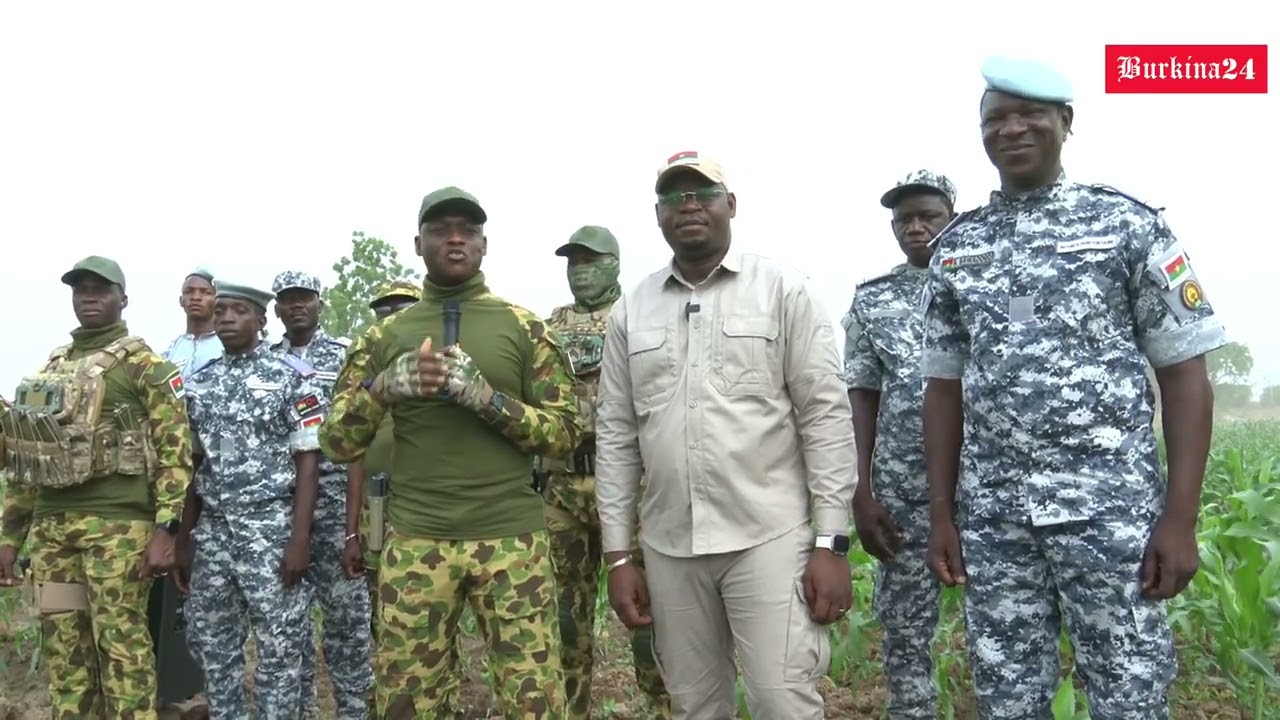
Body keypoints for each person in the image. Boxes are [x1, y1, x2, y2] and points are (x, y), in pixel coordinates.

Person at [921, 57, 1227, 720]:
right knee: (1007, 696)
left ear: (1066, 122)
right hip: (995, 523)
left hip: (1110, 517)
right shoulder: (956, 249)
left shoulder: (1128, 227)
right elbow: (941, 390)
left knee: (1129, 695)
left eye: (1030, 114)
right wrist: (943, 514)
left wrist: (1179, 519)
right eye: (995, 119)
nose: (1013, 129)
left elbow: (1185, 375)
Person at [595, 152, 857, 720]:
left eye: (703, 193)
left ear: (730, 205)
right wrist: (619, 558)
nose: (688, 206)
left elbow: (825, 417)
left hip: (767, 538)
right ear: (658, 215)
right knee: (693, 706)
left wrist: (832, 543)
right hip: (670, 547)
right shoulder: (630, 311)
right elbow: (616, 436)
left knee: (782, 702)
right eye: (674, 197)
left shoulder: (782, 291)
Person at [320, 186, 580, 719]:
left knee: (536, 703)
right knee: (406, 704)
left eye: (467, 230)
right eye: (441, 230)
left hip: (512, 542)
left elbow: (565, 436)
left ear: (484, 244)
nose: (455, 239)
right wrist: (382, 390)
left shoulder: (525, 328)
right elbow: (337, 442)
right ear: (419, 244)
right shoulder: (384, 336)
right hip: (417, 541)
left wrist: (487, 400)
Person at [0, 255, 193, 719]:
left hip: (118, 529)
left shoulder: (146, 366)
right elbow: (29, 457)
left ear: (122, 300)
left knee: (122, 647)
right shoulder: (51, 368)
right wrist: (9, 537)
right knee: (66, 654)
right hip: (53, 534)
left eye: (100, 289)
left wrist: (167, 530)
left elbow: (176, 452)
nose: (88, 296)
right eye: (80, 288)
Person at [173, 280, 324, 720]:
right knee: (213, 645)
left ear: (261, 320)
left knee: (280, 646)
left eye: (238, 311)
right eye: (220, 311)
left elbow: (309, 462)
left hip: (270, 529)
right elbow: (193, 466)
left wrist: (299, 539)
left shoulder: (292, 378)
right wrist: (184, 540)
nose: (225, 318)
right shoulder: (199, 385)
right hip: (216, 533)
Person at [537, 225, 671, 720]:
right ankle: (570, 709)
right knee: (564, 616)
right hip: (562, 489)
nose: (581, 270)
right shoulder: (547, 329)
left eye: (591, 260)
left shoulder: (641, 318)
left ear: (615, 264)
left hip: (631, 488)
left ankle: (661, 707)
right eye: (573, 262)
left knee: (646, 610)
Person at [842, 169, 958, 720]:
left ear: (951, 217)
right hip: (903, 495)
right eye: (903, 220)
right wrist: (861, 493)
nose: (914, 228)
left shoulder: (982, 282)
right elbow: (860, 397)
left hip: (986, 490)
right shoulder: (874, 301)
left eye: (927, 216)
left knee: (1007, 630)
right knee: (906, 633)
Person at [270, 270, 374, 720]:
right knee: (288, 630)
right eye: (288, 299)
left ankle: (353, 711)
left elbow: (357, 441)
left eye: (305, 298)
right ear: (276, 309)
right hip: (281, 509)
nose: (297, 306)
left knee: (347, 625)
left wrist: (353, 531)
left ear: (319, 303)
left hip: (336, 506)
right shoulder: (266, 361)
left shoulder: (346, 355)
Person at [345, 279, 423, 637]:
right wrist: (351, 533)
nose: (392, 318)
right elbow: (354, 454)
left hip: (424, 502)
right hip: (375, 504)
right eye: (383, 311)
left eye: (402, 310)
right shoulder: (365, 382)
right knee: (381, 593)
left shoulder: (438, 371)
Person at [163, 267, 223, 380]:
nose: (196, 297)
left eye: (205, 292)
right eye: (189, 292)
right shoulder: (172, 350)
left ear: (217, 300)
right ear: (181, 300)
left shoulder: (226, 346)